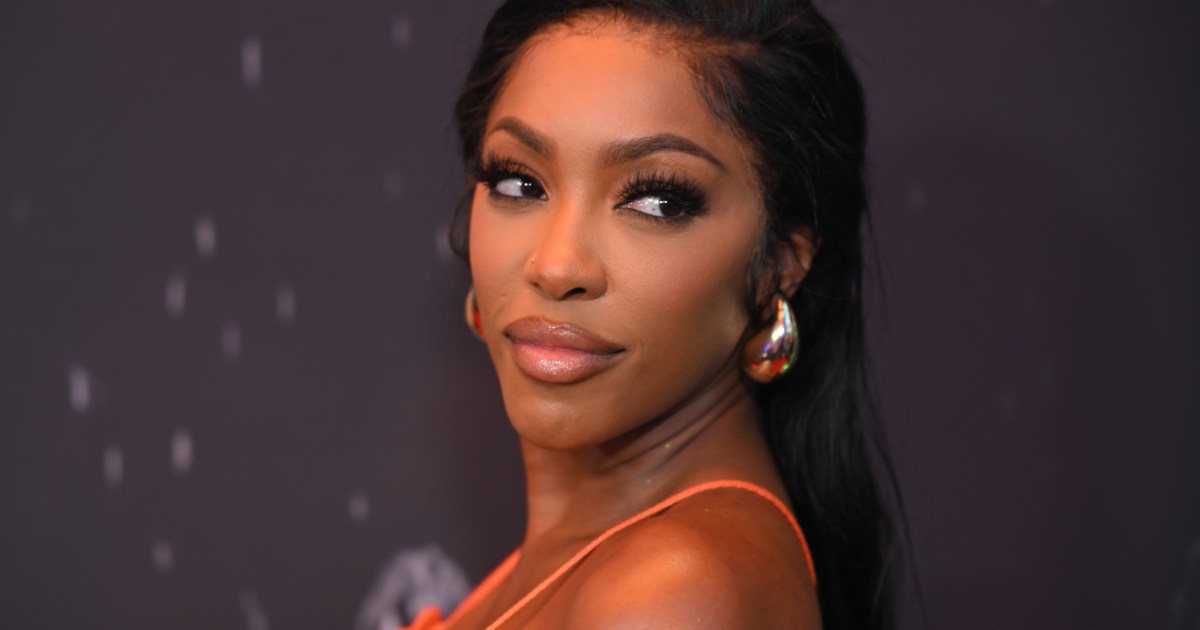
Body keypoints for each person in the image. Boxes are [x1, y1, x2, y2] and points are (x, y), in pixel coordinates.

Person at [407, 0, 899, 627]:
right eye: (519, 182)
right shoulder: (601, 564)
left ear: (780, 262)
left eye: (658, 201)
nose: (556, 266)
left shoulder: (667, 594)